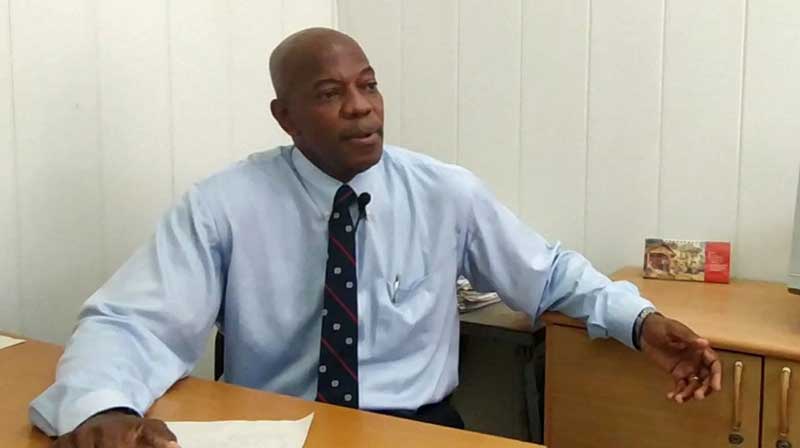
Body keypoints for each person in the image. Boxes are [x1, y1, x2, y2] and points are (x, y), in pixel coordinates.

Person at [35, 27, 722, 448]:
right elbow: (132, 321)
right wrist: (105, 406)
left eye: (368, 85)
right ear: (285, 116)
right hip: (274, 429)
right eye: (330, 93)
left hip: (415, 428)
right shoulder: (225, 205)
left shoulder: (444, 192)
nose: (361, 107)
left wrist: (641, 322)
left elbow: (550, 275)